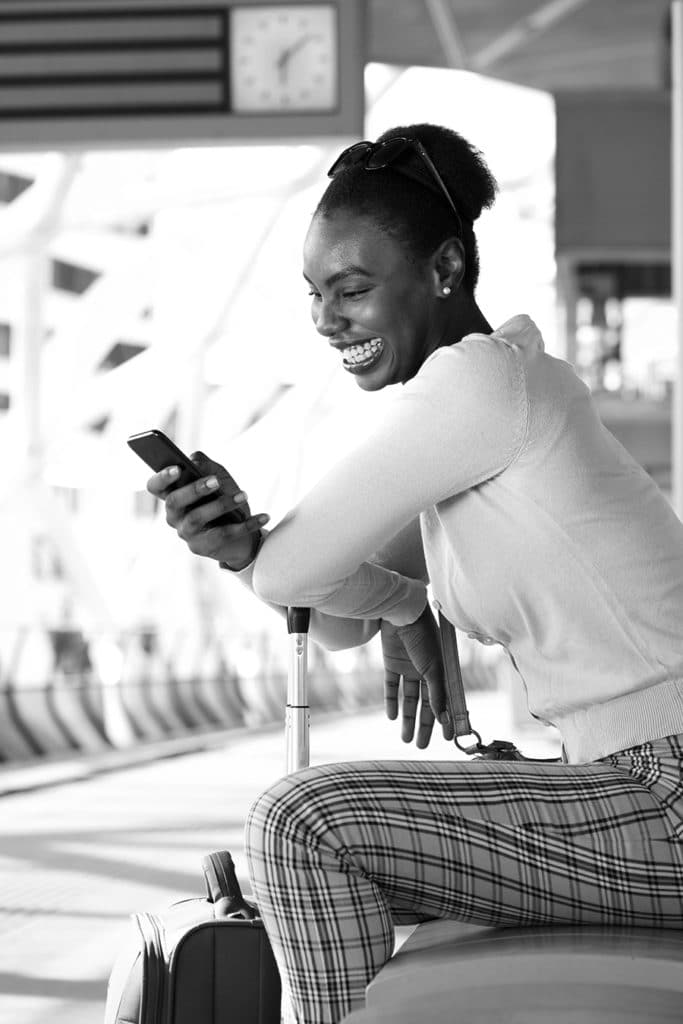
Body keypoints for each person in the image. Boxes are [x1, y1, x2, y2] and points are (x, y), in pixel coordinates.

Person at [147, 123, 683, 1024]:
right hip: (626, 779)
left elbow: (292, 575)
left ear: (444, 269)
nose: (327, 320)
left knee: (302, 822)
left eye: (351, 290)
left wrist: (252, 551)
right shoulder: (497, 403)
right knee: (326, 842)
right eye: (315, 295)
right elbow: (337, 611)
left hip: (662, 791)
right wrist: (395, 607)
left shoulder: (478, 386)